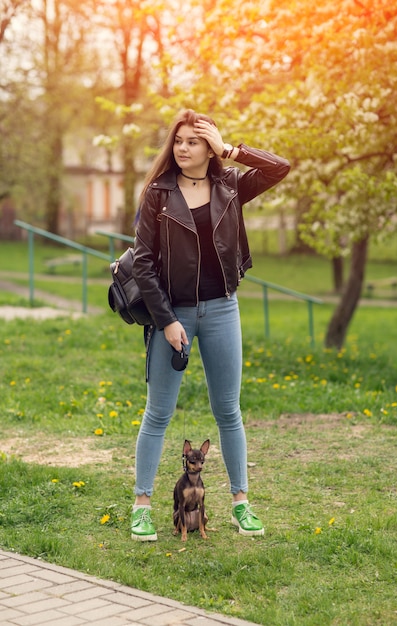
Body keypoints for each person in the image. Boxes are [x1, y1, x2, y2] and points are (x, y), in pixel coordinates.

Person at [131, 108, 290, 541]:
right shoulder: (158, 194)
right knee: (158, 413)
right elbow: (143, 264)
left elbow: (280, 167)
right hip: (173, 313)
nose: (183, 148)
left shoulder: (231, 186)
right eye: (178, 141)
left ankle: (241, 503)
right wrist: (165, 321)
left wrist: (231, 149)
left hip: (222, 310)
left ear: (209, 147)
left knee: (228, 412)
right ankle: (142, 505)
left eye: (193, 141)